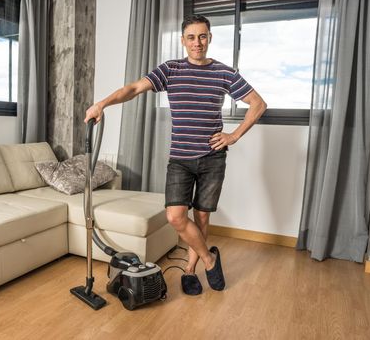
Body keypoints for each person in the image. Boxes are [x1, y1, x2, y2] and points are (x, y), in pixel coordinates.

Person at [85, 15, 267, 295]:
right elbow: (133, 89)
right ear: (183, 41)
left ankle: (190, 271)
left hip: (212, 158)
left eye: (203, 36)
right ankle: (209, 259)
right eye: (191, 37)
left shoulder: (224, 73)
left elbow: (258, 104)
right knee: (176, 217)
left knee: (203, 219)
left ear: (210, 38)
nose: (197, 42)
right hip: (180, 160)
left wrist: (234, 135)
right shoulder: (170, 69)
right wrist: (102, 103)